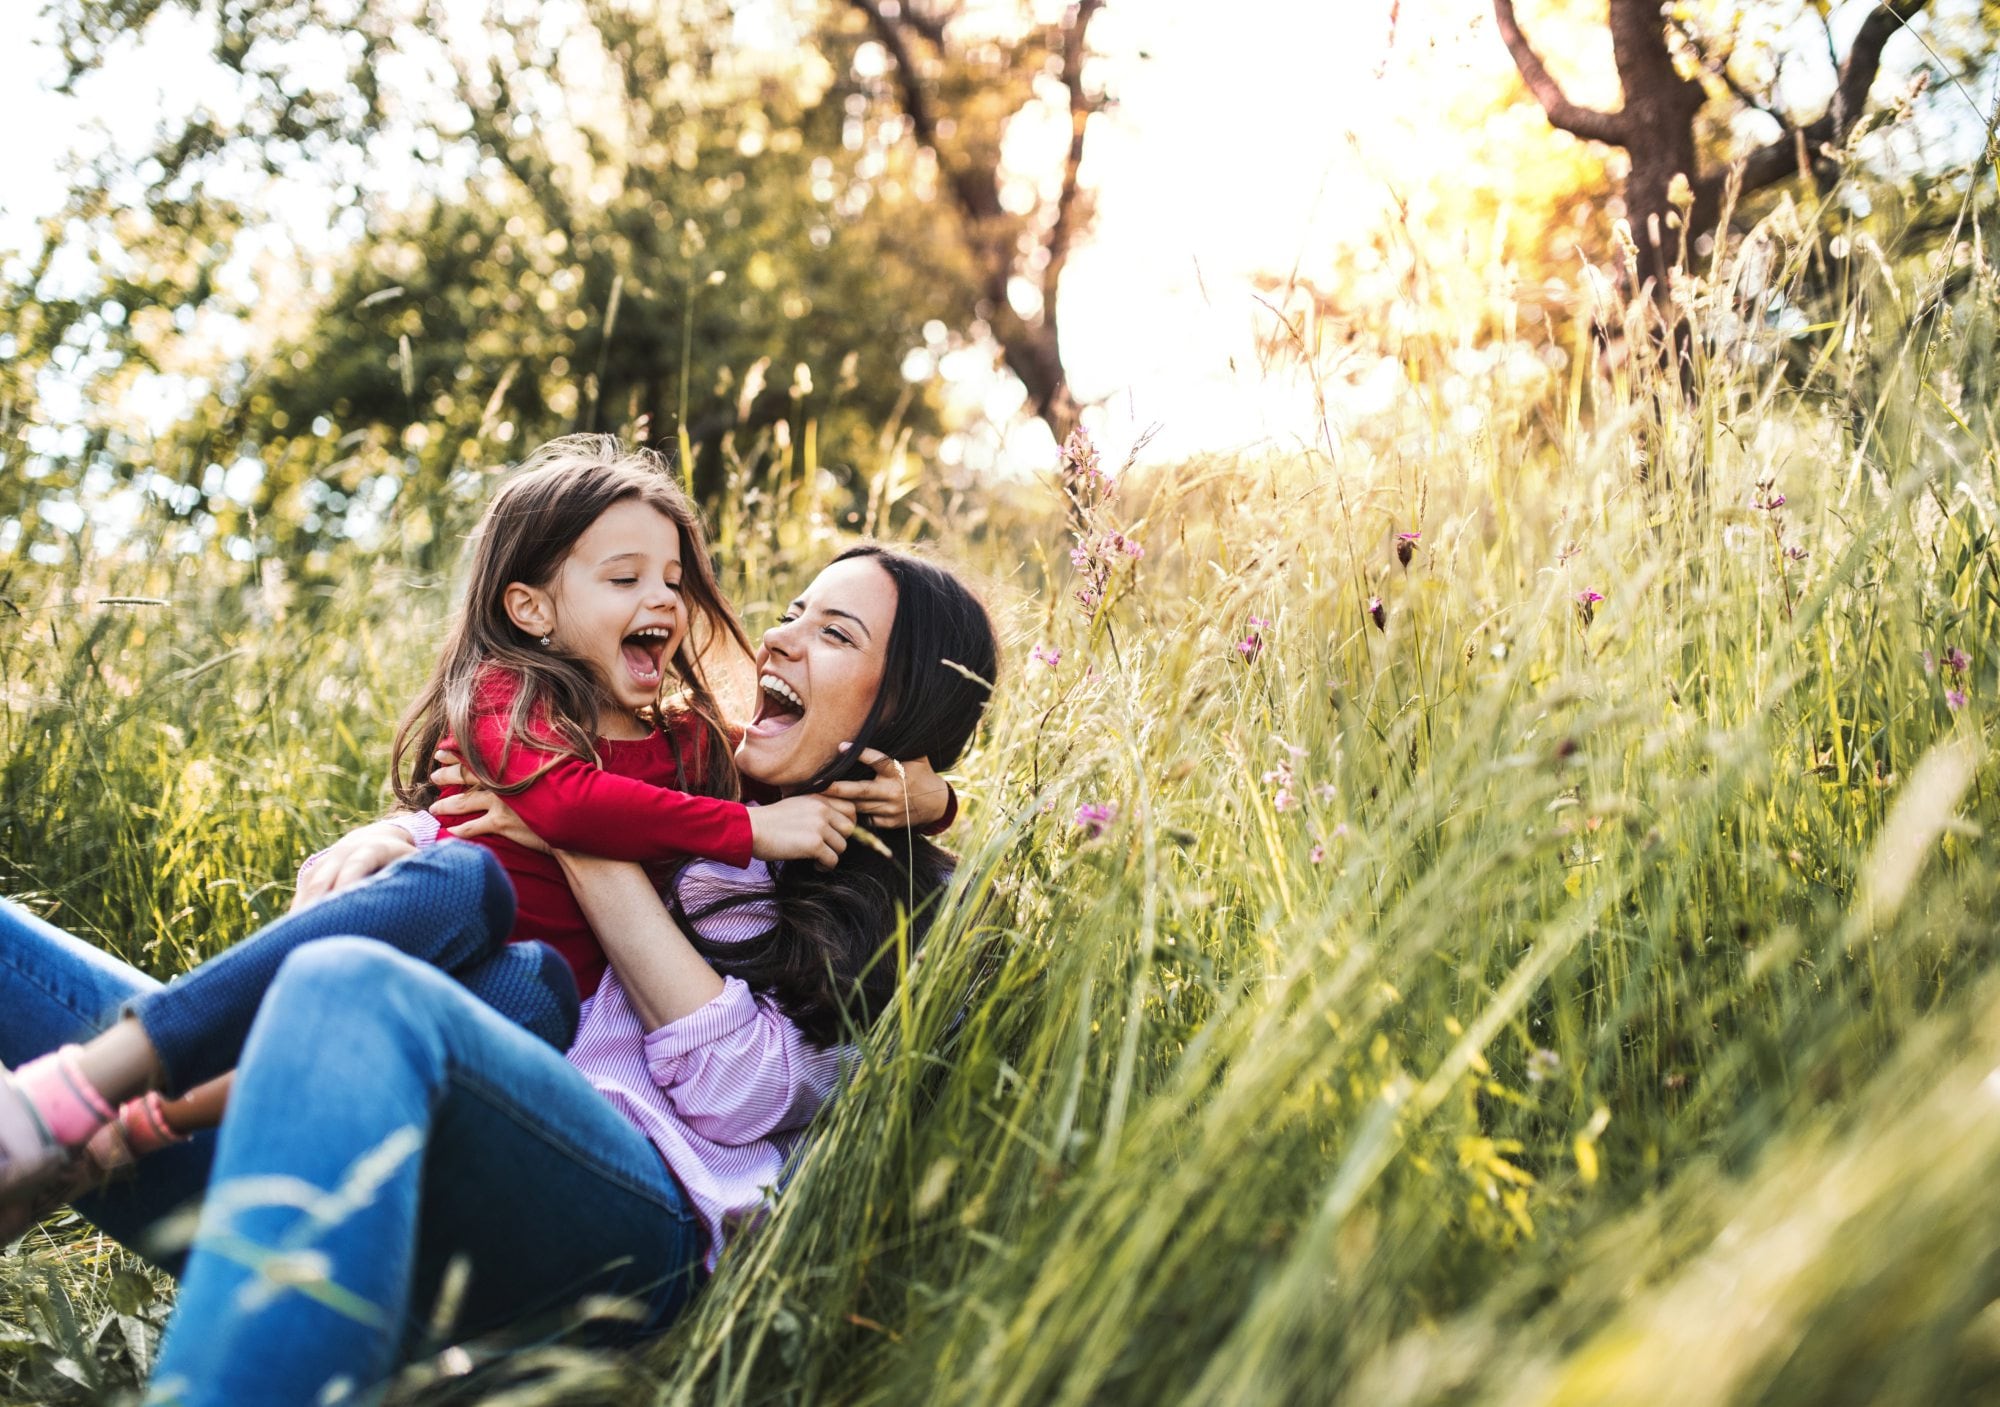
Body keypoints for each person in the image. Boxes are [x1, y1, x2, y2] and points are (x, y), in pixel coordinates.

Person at [0, 541, 998, 1406]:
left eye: (834, 634)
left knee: (351, 987)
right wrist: (397, 833)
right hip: (380, 1147)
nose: (778, 637)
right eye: (789, 612)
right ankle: (88, 1128)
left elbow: (738, 1095)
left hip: (623, 1219)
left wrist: (575, 832)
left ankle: (120, 1126)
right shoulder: (678, 773)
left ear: (903, 705)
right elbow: (473, 828)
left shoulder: (899, 910)